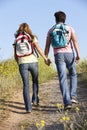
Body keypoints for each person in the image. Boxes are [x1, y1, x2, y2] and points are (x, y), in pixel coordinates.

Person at [44, 11, 80, 110]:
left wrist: (46, 58)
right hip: (69, 54)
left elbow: (47, 46)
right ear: (65, 19)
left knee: (62, 77)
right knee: (73, 74)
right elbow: (75, 41)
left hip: (58, 55)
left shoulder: (51, 30)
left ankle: (67, 102)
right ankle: (73, 96)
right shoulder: (70, 28)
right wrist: (78, 54)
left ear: (55, 19)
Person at [13, 23, 51, 113]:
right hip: (33, 62)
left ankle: (28, 108)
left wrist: (20, 63)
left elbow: (15, 55)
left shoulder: (16, 39)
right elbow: (38, 48)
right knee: (35, 81)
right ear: (29, 29)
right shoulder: (32, 37)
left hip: (22, 63)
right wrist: (45, 59)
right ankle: (35, 100)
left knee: (26, 85)